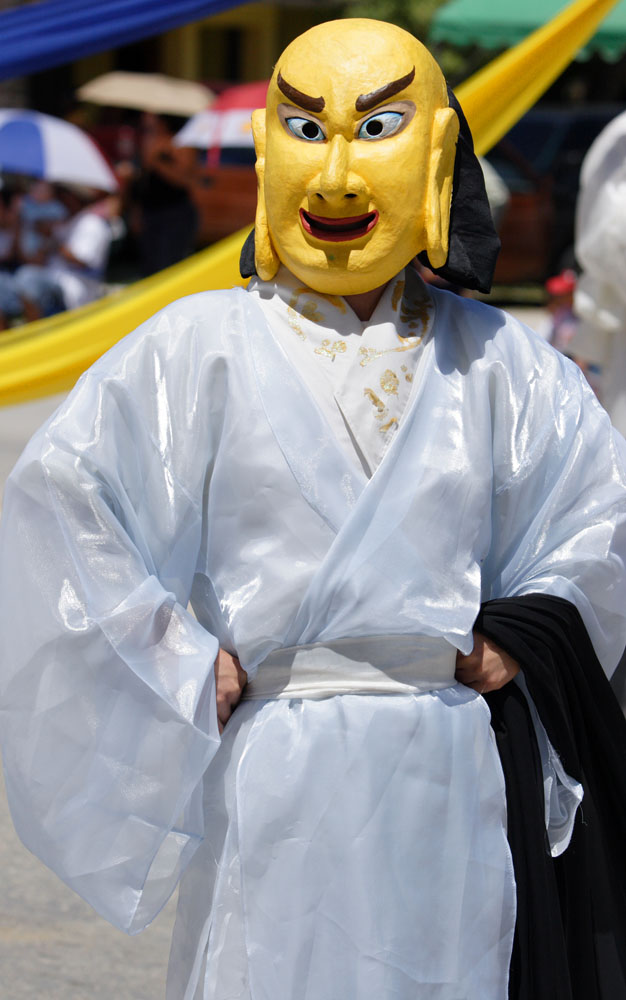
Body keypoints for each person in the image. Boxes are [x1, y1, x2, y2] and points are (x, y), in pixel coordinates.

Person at [1, 20, 626, 1000]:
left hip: (444, 764)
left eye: (375, 127)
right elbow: (65, 506)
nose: (335, 177)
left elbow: (601, 515)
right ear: (266, 158)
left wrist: (525, 633)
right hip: (278, 761)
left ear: (432, 157)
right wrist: (171, 647)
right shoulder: (196, 348)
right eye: (305, 127)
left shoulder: (497, 362)